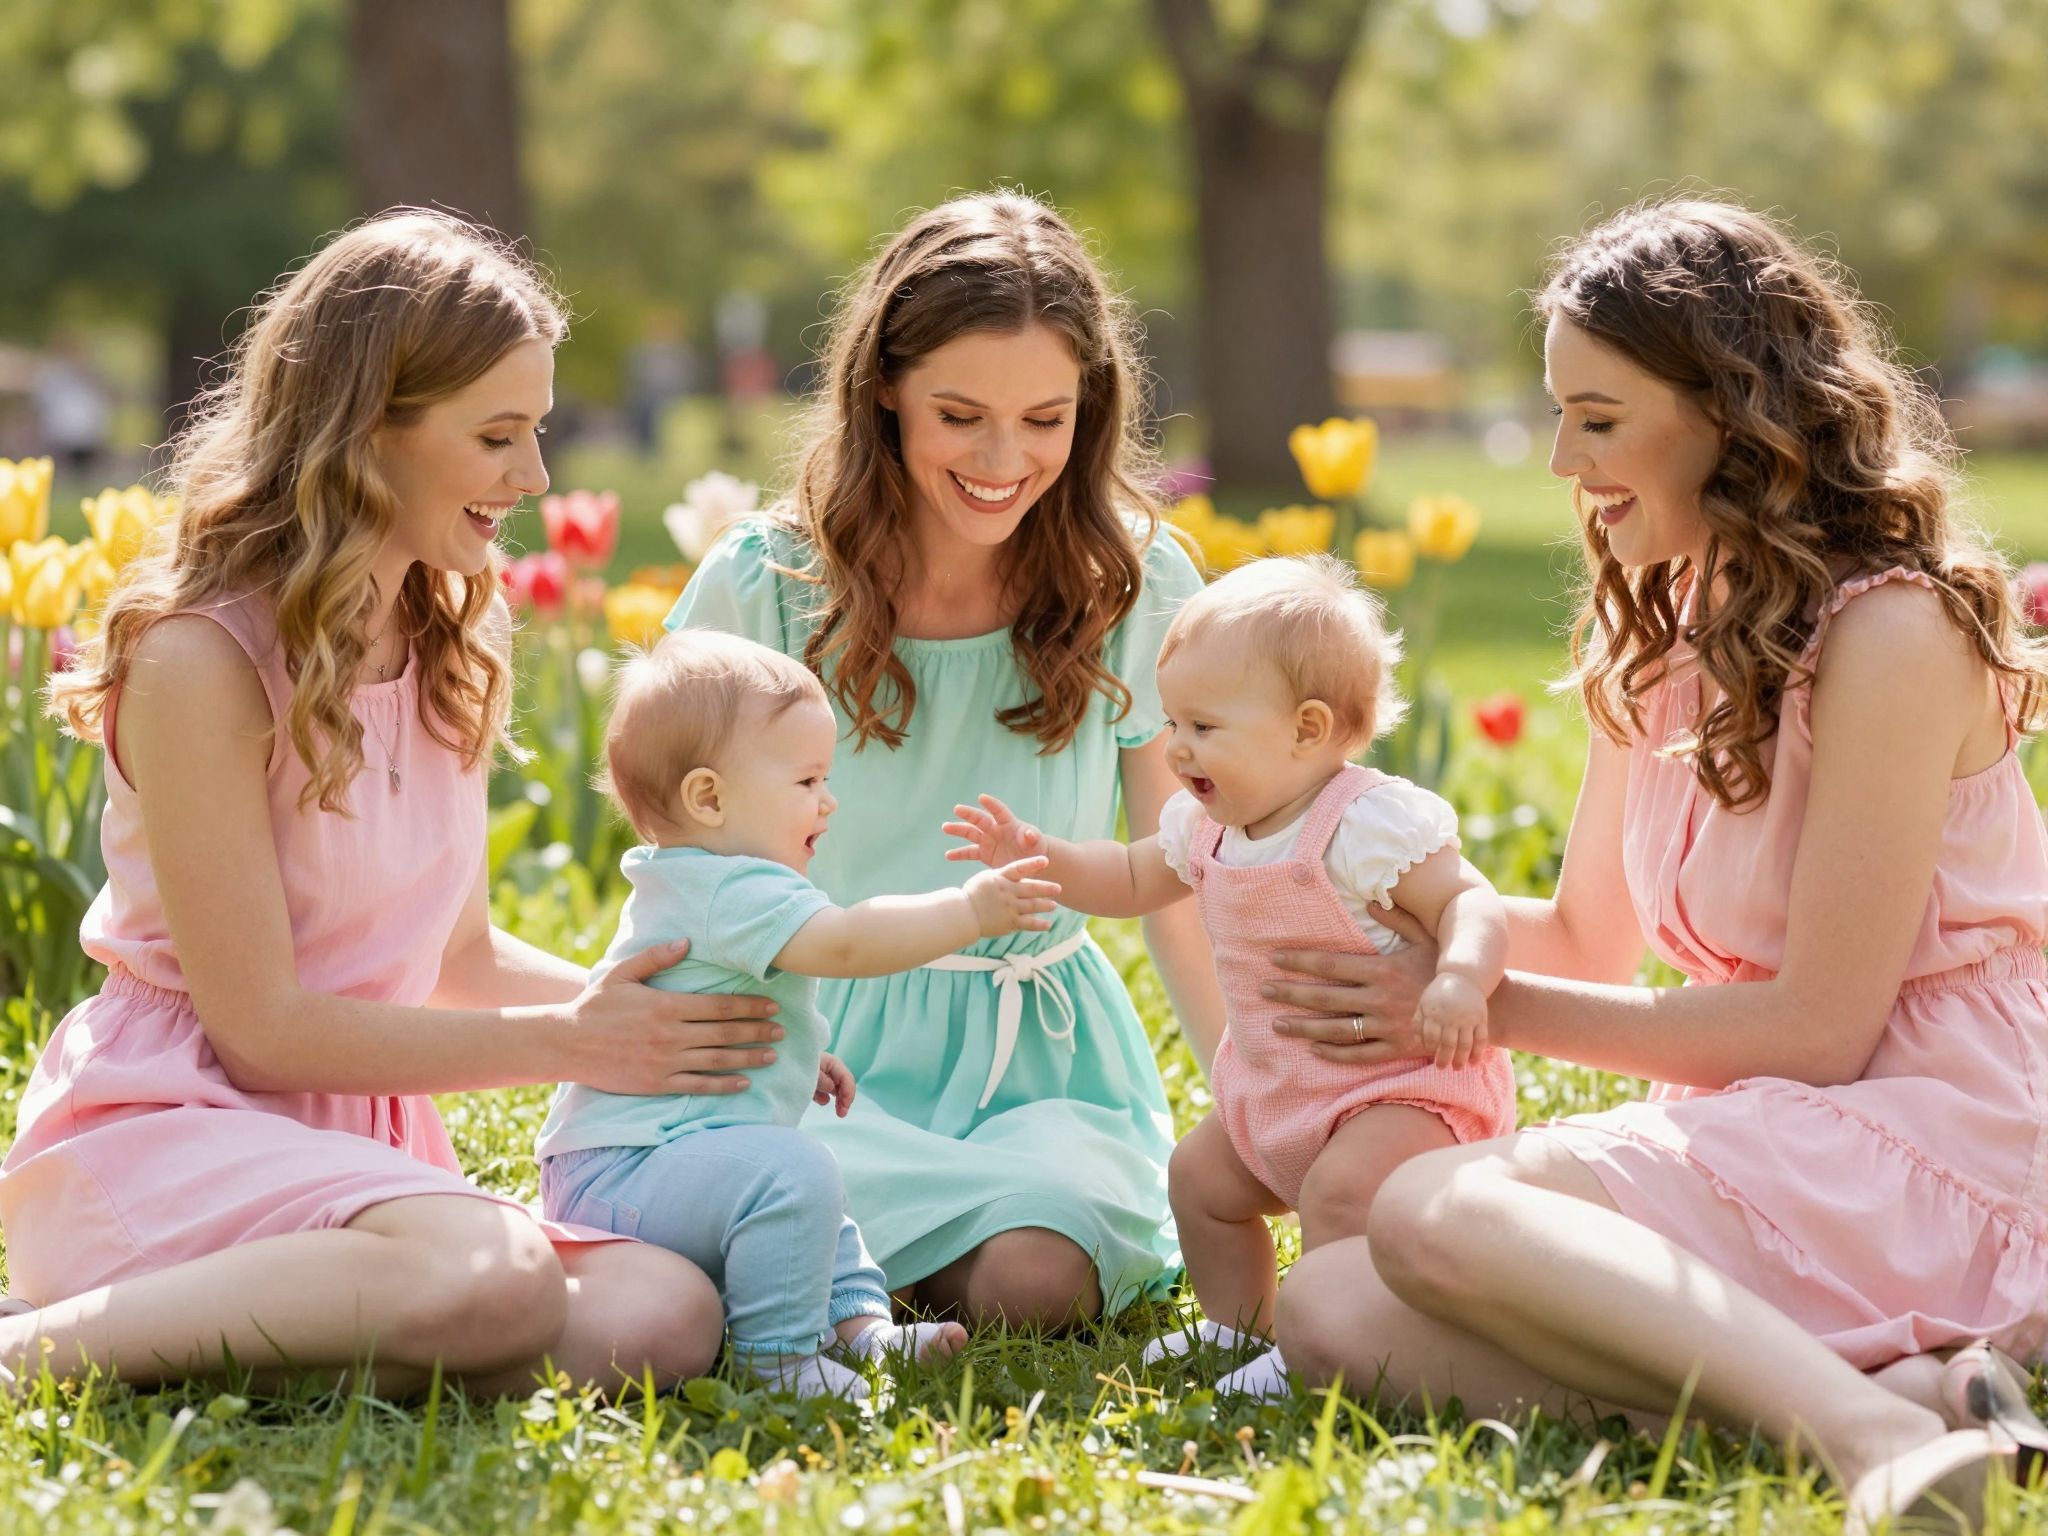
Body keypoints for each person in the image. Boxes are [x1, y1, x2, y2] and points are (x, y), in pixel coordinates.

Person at [1265, 199, 2048, 1526]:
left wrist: (1472, 1007)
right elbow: (1584, 937)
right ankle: (1913, 1409)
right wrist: (1327, 896)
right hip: (1788, 1131)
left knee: (1431, 1211)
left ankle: (1873, 1440)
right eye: (1561, 414)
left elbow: (1819, 1032)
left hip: (1949, 1134)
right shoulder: (1666, 623)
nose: (1565, 459)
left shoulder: (1892, 634)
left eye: (1601, 417)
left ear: (1733, 412)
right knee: (1326, 1306)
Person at [0, 211, 787, 1395]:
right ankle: (36, 1346)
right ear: (368, 431)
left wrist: (688, 1033)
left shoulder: (454, 631)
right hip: (174, 1124)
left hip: (357, 1146)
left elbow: (454, 956)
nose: (533, 477)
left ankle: (286, 1337)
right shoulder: (201, 658)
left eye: (536, 432)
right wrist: (573, 1043)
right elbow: (260, 1029)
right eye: (497, 437)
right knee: (503, 1280)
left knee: (663, 1310)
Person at [669, 191, 1225, 1328]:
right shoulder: (764, 586)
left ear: (1091, 407)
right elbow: (688, 869)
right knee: (790, 1208)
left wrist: (1254, 1094)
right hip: (822, 1042)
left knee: (1039, 1278)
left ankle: (857, 1276)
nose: (1003, 458)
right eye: (959, 415)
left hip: (1041, 1059)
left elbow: (1182, 878)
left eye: (1044, 418)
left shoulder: (1134, 585)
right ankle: (848, 1266)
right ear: (884, 388)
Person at [946, 554, 1513, 1400]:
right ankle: (1240, 1325)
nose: (1176, 751)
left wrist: (1463, 977)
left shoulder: (1362, 824)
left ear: (1307, 730)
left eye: (1203, 728)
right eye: (1173, 723)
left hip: (1400, 1093)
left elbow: (1470, 899)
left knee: (1342, 1193)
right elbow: (1135, 878)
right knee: (1201, 1182)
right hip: (1280, 1093)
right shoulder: (1208, 828)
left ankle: (1334, 1338)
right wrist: (1048, 859)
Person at [537, 627, 1062, 1397]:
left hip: (637, 1161)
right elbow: (846, 944)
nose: (829, 799)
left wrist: (793, 1053)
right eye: (807, 781)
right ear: (708, 798)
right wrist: (968, 911)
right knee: (795, 1176)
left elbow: (708, 1005)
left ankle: (861, 1331)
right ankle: (777, 1361)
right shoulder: (733, 888)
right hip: (626, 1170)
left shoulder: (702, 882)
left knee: (817, 1199)